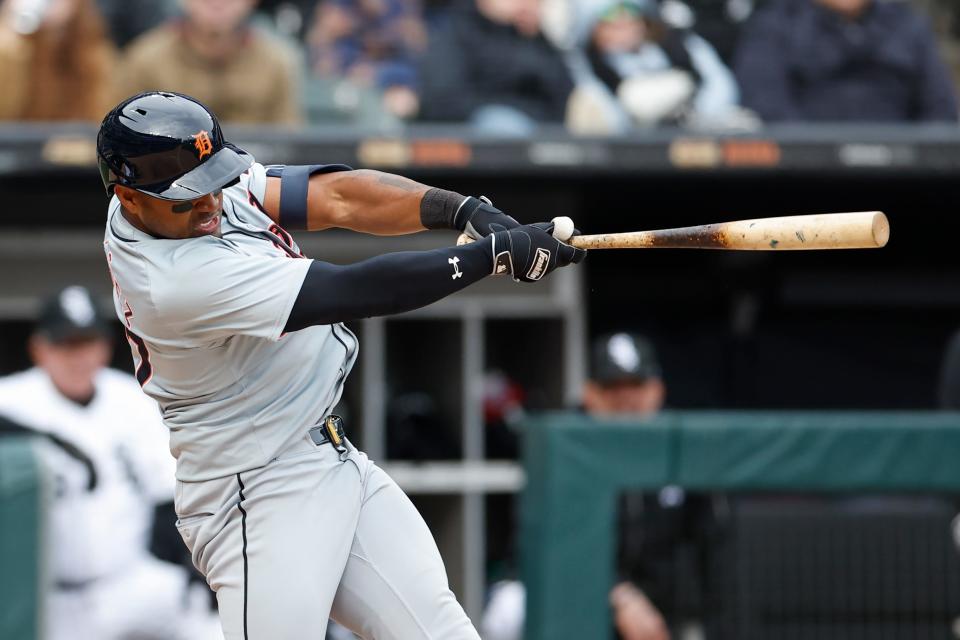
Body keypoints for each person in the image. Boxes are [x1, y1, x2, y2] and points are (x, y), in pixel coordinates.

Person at [96, 90, 585, 639]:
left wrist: (461, 210)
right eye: (188, 198)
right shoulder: (172, 284)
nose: (210, 203)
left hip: (330, 457)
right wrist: (487, 258)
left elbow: (339, 197)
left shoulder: (185, 198)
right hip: (255, 491)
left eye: (213, 182)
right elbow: (358, 290)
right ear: (129, 198)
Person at [0, 285, 220, 640]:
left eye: (86, 342)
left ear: (103, 347)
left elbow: (169, 495)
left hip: (128, 578)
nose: (78, 357)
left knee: (217, 625)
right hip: (50, 598)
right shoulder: (11, 399)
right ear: (39, 348)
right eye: (65, 344)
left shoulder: (131, 399)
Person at [482, 333, 723, 640]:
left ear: (657, 390)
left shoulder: (679, 448)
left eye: (635, 386)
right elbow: (552, 548)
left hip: (655, 610)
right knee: (509, 610)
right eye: (612, 388)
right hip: (573, 593)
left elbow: (712, 547)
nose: (626, 400)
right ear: (590, 394)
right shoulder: (565, 447)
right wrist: (619, 596)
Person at [734, 0, 959, 123]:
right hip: (803, 179)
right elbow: (767, 107)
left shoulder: (908, 25)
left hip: (911, 178)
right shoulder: (775, 24)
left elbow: (941, 110)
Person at [119, 0, 303, 125]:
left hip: (255, 175)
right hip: (168, 175)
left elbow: (289, 145)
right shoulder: (144, 59)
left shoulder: (276, 62)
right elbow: (120, 135)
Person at [567, 0, 741, 132]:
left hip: (694, 139)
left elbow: (720, 87)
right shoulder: (585, 64)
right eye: (610, 19)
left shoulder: (677, 45)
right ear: (593, 30)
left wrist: (695, 108)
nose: (625, 22)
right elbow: (606, 118)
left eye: (632, 13)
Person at [418, 0, 575, 134]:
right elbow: (442, 101)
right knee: (501, 123)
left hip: (541, 131)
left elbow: (564, 96)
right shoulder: (456, 30)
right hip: (476, 139)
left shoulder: (535, 37)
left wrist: (541, 35)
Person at [0, 0, 115, 121]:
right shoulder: (11, 50)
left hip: (69, 134)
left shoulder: (95, 54)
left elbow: (98, 118)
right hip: (17, 133)